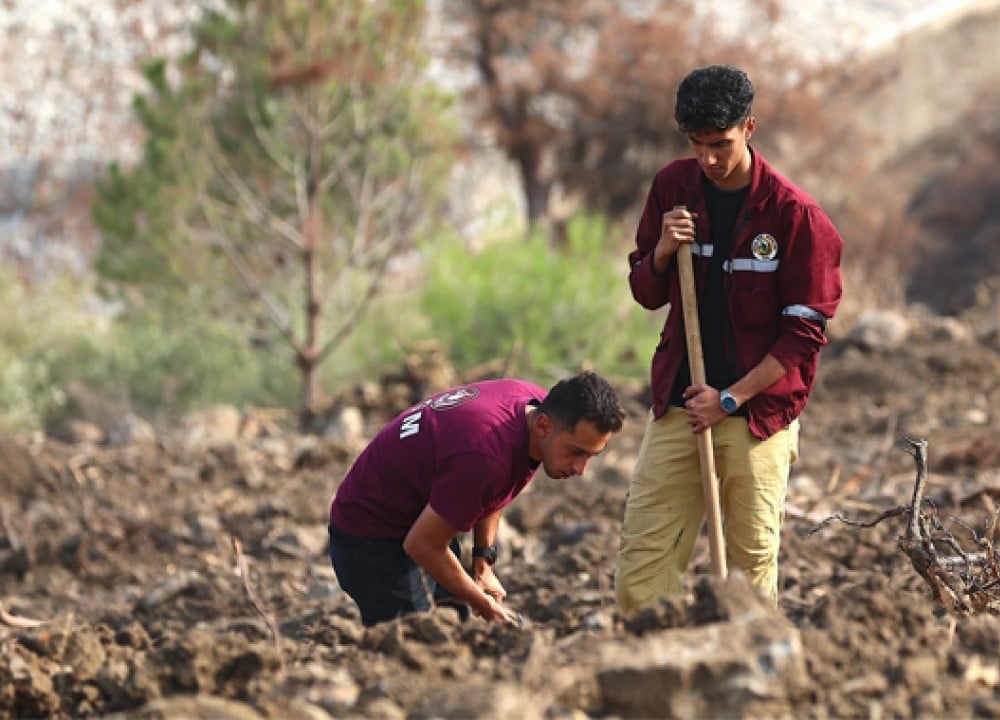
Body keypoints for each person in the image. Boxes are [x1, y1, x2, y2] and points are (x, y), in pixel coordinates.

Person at [615, 64, 844, 615]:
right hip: (680, 404)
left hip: (756, 415)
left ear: (750, 127)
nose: (708, 160)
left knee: (748, 574)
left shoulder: (797, 218)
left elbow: (801, 337)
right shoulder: (674, 187)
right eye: (696, 145)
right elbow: (646, 293)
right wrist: (664, 252)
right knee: (641, 571)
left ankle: (743, 681)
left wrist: (729, 398)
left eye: (720, 144)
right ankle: (651, 683)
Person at [329, 371, 625, 626]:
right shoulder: (484, 455)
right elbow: (422, 543)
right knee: (416, 643)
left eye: (591, 456)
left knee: (456, 618)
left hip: (423, 516)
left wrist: (483, 566)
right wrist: (487, 608)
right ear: (544, 426)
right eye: (576, 452)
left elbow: (497, 488)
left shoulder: (532, 406)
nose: (580, 469)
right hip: (369, 537)